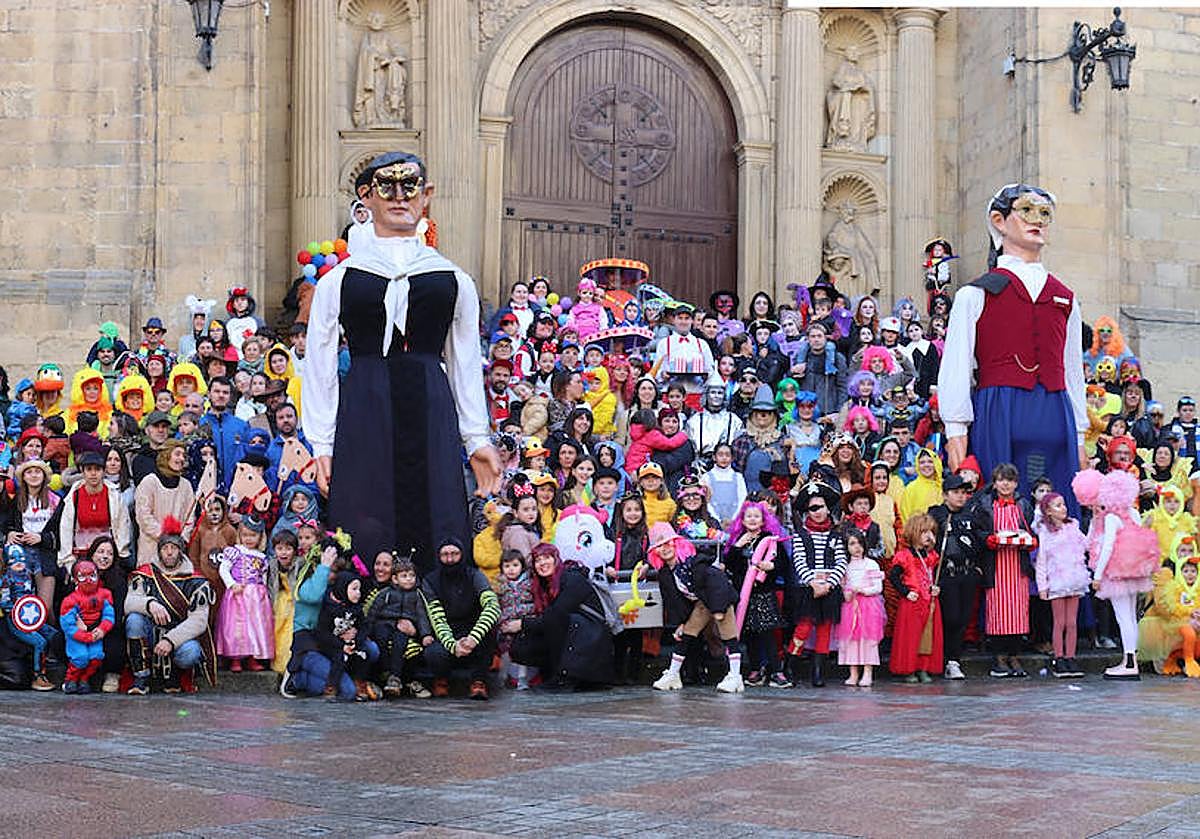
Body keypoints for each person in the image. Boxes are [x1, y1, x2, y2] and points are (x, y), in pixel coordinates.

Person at [303, 152, 501, 573]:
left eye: (409, 186)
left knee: (435, 516)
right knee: (364, 516)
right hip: (365, 405)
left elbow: (466, 362)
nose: (398, 197)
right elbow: (318, 363)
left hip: (431, 406)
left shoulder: (455, 280)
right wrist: (322, 443)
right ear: (366, 196)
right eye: (386, 187)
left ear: (426, 195)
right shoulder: (338, 281)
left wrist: (476, 438)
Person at [938, 183, 1087, 513]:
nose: (1038, 220)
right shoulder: (975, 294)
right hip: (1000, 408)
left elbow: (1073, 371)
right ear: (999, 220)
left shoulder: (1066, 298)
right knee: (1000, 510)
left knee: (1059, 510)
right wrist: (955, 430)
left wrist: (1079, 434)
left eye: (1044, 213)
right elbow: (956, 366)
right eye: (1027, 210)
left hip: (1055, 409)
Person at [1072, 468, 1160, 679]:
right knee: (1130, 617)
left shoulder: (1111, 518)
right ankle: (1131, 660)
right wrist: (1095, 521)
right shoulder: (1133, 513)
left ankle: (1129, 664)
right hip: (1134, 571)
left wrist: (1097, 576)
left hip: (1116, 574)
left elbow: (1107, 547)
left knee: (1123, 618)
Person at [649, 522, 744, 694]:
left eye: (668, 543)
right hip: (701, 603)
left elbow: (717, 582)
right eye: (659, 546)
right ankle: (673, 674)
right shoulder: (665, 574)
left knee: (728, 635)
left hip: (719, 599)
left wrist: (718, 610)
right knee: (686, 634)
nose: (665, 549)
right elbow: (672, 601)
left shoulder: (696, 563)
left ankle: (736, 676)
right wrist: (680, 622)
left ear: (677, 544)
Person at [125, 518, 216, 695]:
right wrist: (150, 604)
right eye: (165, 548)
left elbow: (199, 621)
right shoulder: (146, 574)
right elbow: (129, 603)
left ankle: (175, 674)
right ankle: (141, 676)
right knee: (133, 620)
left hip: (179, 639)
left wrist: (170, 640)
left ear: (180, 551)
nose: (169, 552)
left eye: (173, 548)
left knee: (191, 652)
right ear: (159, 551)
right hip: (151, 633)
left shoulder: (196, 581)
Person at [774, 480, 846, 689]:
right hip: (807, 589)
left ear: (827, 508)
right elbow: (799, 562)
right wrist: (813, 583)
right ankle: (789, 665)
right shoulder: (800, 536)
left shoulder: (836, 536)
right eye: (812, 508)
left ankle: (818, 671)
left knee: (825, 629)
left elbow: (841, 562)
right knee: (803, 628)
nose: (817, 512)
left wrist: (829, 584)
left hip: (829, 589)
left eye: (820, 507)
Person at [420, 536, 500, 699]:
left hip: (472, 631)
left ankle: (478, 682)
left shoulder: (475, 576)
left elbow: (492, 607)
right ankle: (441, 679)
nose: (450, 559)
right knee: (433, 652)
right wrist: (453, 645)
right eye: (445, 555)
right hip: (446, 634)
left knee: (489, 635)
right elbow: (437, 618)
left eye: (454, 554)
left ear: (462, 555)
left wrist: (473, 638)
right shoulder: (430, 581)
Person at [927, 473, 987, 680]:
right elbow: (926, 541)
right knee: (949, 617)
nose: (961, 496)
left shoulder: (972, 515)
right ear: (945, 495)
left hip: (967, 573)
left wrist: (978, 569)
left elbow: (980, 542)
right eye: (956, 492)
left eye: (964, 492)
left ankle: (954, 661)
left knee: (963, 618)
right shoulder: (936, 514)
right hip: (946, 573)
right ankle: (941, 658)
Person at [724, 500, 786, 686]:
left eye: (756, 516)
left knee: (767, 634)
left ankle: (776, 671)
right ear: (742, 520)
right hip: (743, 594)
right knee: (750, 635)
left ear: (763, 520)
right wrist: (737, 547)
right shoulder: (738, 539)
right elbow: (729, 565)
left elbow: (783, 563)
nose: (752, 519)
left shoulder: (770, 539)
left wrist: (771, 566)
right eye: (748, 516)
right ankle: (755, 669)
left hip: (763, 592)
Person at [1034, 491, 1090, 678]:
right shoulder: (1045, 532)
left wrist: (1096, 525)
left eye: (1064, 504)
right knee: (1059, 622)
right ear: (1048, 511)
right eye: (1058, 505)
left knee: (1072, 622)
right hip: (1057, 581)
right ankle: (1058, 658)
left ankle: (1070, 657)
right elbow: (1041, 561)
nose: (1063, 508)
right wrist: (1042, 586)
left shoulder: (1073, 526)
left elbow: (1086, 544)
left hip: (1074, 579)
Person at [888, 514, 943, 683]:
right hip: (912, 602)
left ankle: (924, 668)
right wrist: (905, 592)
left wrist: (936, 588)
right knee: (911, 637)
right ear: (914, 533)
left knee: (928, 636)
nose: (928, 536)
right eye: (924, 532)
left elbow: (934, 575)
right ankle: (909, 669)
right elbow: (893, 576)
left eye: (931, 532)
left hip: (929, 601)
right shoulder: (904, 555)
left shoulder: (932, 556)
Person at [56, 450, 133, 573]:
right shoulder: (74, 495)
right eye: (89, 469)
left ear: (103, 471)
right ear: (82, 472)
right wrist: (68, 560)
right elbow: (66, 528)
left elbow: (122, 525)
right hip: (81, 554)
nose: (93, 474)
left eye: (97, 469)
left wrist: (121, 552)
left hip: (109, 555)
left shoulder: (113, 495)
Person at [215, 517, 274, 672]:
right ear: (240, 535)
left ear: (260, 537)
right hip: (238, 595)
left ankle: (252, 657)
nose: (249, 539)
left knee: (255, 626)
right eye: (245, 535)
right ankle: (236, 659)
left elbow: (264, 576)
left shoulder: (262, 557)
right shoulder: (235, 551)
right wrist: (231, 584)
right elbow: (223, 569)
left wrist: (264, 591)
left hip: (256, 598)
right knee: (238, 627)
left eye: (253, 535)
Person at [0, 545, 58, 690]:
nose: (18, 561)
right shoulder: (7, 579)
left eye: (21, 558)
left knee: (53, 635)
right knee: (39, 642)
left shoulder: (27, 575)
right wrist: (18, 610)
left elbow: (32, 597)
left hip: (31, 617)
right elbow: (5, 603)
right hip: (16, 620)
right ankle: (38, 675)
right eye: (13, 559)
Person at [133, 440, 195, 567]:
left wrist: (181, 539)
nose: (181, 459)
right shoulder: (149, 482)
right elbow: (143, 516)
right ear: (166, 455)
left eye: (183, 455)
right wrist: (163, 536)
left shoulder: (186, 485)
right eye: (177, 454)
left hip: (177, 550)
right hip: (151, 548)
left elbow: (190, 516)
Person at [59, 557, 115, 694]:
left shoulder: (105, 595)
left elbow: (109, 615)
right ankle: (70, 679)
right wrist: (85, 636)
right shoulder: (70, 600)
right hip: (77, 636)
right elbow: (68, 626)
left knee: (96, 656)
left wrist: (102, 629)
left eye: (92, 575)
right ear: (75, 579)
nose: (89, 580)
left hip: (96, 633)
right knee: (80, 657)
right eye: (83, 576)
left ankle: (84, 679)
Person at [838, 530, 885, 687]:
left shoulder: (871, 564)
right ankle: (853, 673)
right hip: (850, 607)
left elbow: (878, 587)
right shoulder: (844, 566)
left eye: (859, 543)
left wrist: (863, 590)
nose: (857, 547)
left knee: (868, 640)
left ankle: (868, 672)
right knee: (851, 639)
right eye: (852, 544)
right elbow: (842, 586)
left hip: (869, 607)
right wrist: (846, 593)